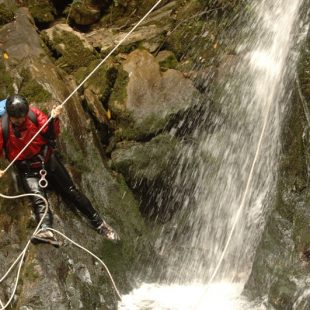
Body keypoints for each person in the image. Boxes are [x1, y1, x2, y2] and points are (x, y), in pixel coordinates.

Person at [0, 94, 119, 244]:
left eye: (22, 116)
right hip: (27, 170)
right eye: (17, 118)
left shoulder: (33, 114)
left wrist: (53, 119)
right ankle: (45, 230)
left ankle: (100, 224)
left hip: (47, 161)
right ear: (10, 116)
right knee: (39, 201)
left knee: (71, 191)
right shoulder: (3, 127)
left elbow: (51, 134)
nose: (21, 120)